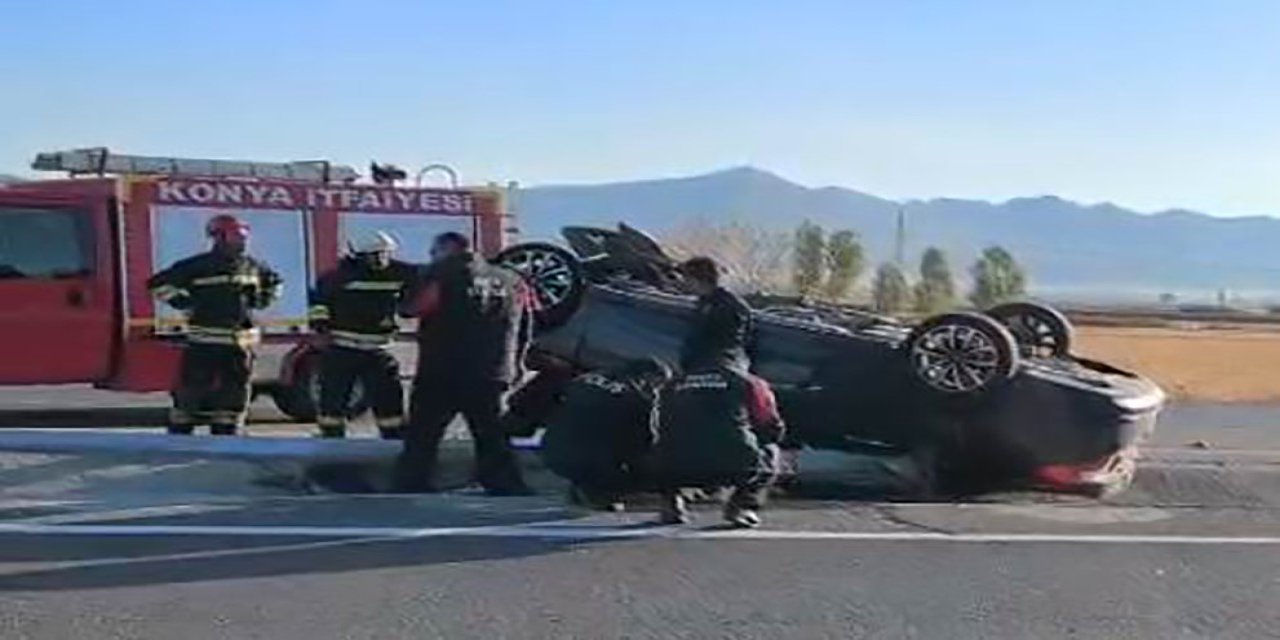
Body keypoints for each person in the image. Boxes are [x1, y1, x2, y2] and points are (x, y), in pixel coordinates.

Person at [394, 231, 536, 495]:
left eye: (434, 253)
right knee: (491, 434)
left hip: (443, 369)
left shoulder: (442, 275)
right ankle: (503, 484)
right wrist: (516, 364)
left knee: (423, 433)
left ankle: (411, 482)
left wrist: (413, 284)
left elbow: (413, 308)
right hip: (492, 371)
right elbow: (526, 323)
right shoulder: (511, 279)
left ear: (445, 250)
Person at [147, 214, 282, 436]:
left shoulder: (251, 265)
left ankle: (227, 429)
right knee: (193, 387)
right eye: (235, 236)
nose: (242, 241)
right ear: (218, 238)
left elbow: (275, 282)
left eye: (243, 236)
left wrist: (262, 299)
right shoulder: (198, 265)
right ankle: (181, 429)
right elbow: (158, 284)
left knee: (235, 388)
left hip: (240, 343)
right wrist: (185, 303)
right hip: (205, 340)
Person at [309, 230, 418, 439]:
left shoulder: (401, 274)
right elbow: (318, 305)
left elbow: (415, 294)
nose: (381, 259)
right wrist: (321, 329)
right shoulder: (337, 278)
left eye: (384, 253)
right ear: (359, 256)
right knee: (333, 401)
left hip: (379, 350)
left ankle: (393, 440)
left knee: (389, 402)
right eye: (375, 255)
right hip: (342, 348)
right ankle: (331, 440)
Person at [654, 365, 785, 528]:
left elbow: (660, 423)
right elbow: (770, 422)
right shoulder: (749, 382)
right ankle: (742, 506)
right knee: (771, 452)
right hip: (734, 462)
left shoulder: (673, 383)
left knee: (673, 450)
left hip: (676, 466)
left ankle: (672, 501)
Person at [540, 358, 673, 511]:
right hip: (591, 461)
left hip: (552, 453)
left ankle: (585, 484)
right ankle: (601, 493)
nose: (660, 389)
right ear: (647, 377)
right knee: (644, 467)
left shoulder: (581, 380)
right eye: (659, 384)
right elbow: (648, 441)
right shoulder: (638, 397)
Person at [678, 256, 753, 372]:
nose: (685, 282)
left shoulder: (726, 306)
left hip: (719, 367)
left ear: (700, 280)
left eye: (688, 278)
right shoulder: (705, 302)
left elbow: (728, 342)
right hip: (706, 365)